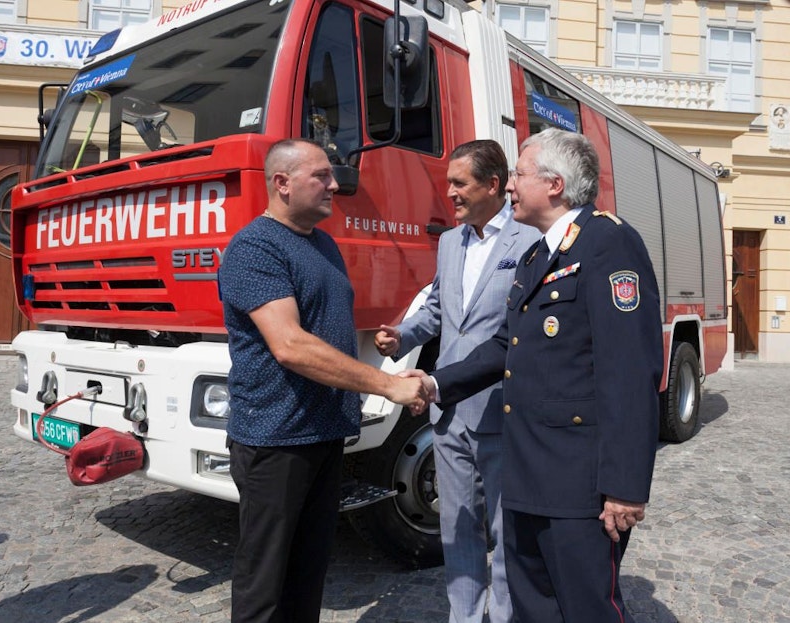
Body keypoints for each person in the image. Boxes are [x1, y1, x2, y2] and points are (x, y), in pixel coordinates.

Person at [409, 128, 663, 622]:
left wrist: (626, 485)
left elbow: (631, 371)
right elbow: (506, 345)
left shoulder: (608, 243)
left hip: (577, 483)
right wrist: (436, 384)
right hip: (527, 473)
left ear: (554, 185)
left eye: (519, 175)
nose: (509, 187)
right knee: (532, 607)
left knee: (585, 606)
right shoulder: (539, 255)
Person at [217, 138, 426, 623]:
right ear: (282, 184)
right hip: (276, 440)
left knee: (309, 572)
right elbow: (289, 345)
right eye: (321, 176)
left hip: (323, 434)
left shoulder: (322, 242)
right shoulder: (255, 247)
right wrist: (386, 385)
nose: (336, 184)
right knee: (265, 582)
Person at [375, 140, 536, 623]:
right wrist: (402, 335)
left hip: (502, 408)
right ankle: (465, 617)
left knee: (506, 531)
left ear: (493, 184)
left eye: (459, 183)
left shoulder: (530, 239)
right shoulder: (450, 241)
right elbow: (441, 311)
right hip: (448, 414)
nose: (450, 194)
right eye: (449, 183)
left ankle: (506, 615)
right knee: (457, 525)